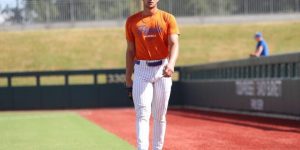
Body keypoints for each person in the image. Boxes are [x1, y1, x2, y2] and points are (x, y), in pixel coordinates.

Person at [125, 0, 180, 149]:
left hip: (162, 69)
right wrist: (128, 78)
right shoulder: (131, 21)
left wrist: (171, 64)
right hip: (141, 69)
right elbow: (130, 51)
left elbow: (174, 43)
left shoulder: (168, 18)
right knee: (142, 114)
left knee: (159, 115)